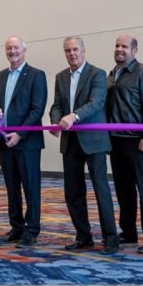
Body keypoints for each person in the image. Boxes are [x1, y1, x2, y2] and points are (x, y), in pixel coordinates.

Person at [49, 36, 119, 254]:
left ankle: (110, 239)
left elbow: (96, 103)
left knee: (100, 189)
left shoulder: (97, 74)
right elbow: (56, 105)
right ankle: (83, 237)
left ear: (83, 50)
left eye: (75, 49)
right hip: (70, 142)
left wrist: (73, 116)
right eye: (68, 50)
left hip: (94, 141)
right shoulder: (61, 76)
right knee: (73, 192)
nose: (72, 54)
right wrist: (55, 121)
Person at [105, 34, 143, 252]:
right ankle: (128, 233)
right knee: (124, 191)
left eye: (125, 46)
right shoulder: (112, 74)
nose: (120, 49)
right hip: (116, 141)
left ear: (134, 50)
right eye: (117, 45)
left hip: (139, 142)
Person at [0, 36, 47, 247]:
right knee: (12, 188)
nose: (12, 51)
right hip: (5, 142)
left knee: (31, 188)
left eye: (16, 47)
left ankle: (31, 230)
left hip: (27, 143)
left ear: (24, 49)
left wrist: (19, 134)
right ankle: (16, 227)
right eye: (9, 48)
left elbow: (37, 110)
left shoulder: (37, 75)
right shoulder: (0, 76)